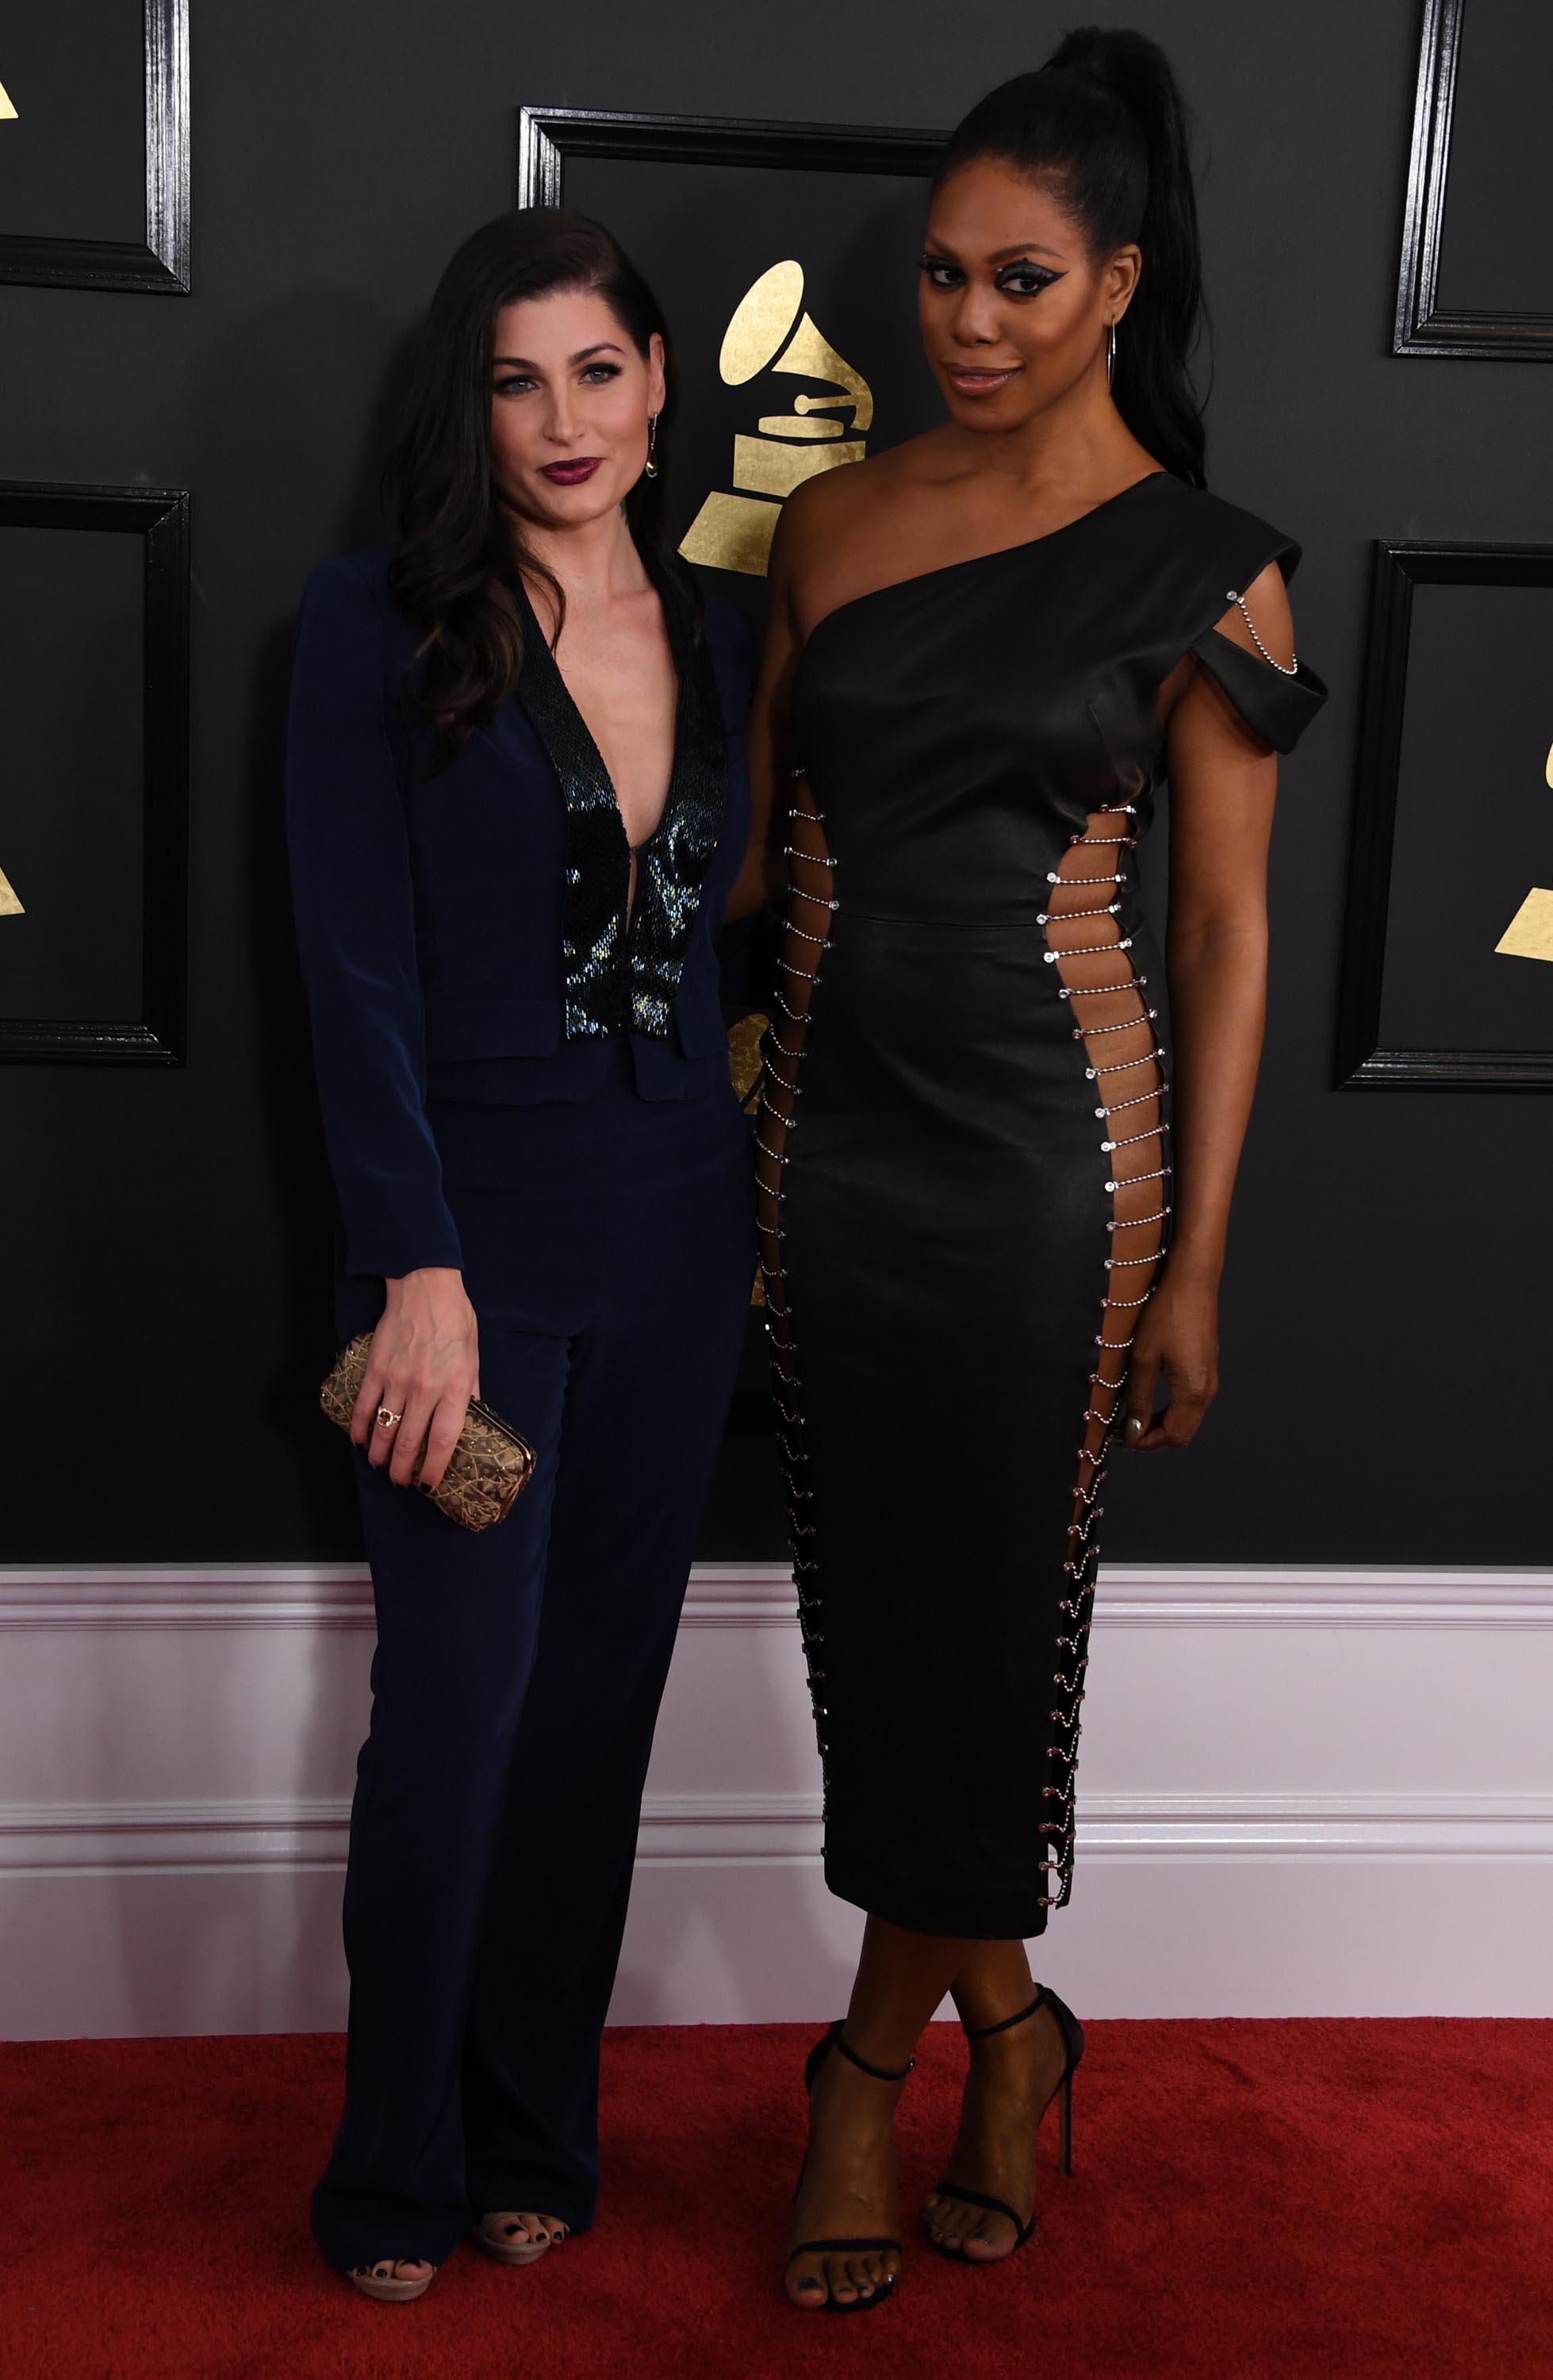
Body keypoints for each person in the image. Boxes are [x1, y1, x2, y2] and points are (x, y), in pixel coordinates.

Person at [733, 27, 1326, 2311]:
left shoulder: (1210, 568)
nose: (966, 322)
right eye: (942, 276)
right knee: (874, 1616)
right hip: (832, 1151)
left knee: (992, 1616)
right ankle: (1012, 2022)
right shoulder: (838, 519)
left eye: (1022, 279)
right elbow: (768, 858)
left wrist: (1193, 1271)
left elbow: (1226, 930)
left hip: (1057, 1168)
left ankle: (864, 2077)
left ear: (1116, 286)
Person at [285, 208, 754, 2301]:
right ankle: (390, 2171)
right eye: (512, 378)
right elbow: (352, 969)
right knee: (456, 1717)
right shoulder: (374, 623)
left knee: (597, 1717)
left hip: (679, 1233)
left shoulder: (739, 640)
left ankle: (531, 2127)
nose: (559, 419)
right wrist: (416, 1263)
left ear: (662, 383)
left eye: (594, 369)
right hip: (469, 1249)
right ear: (468, 408)